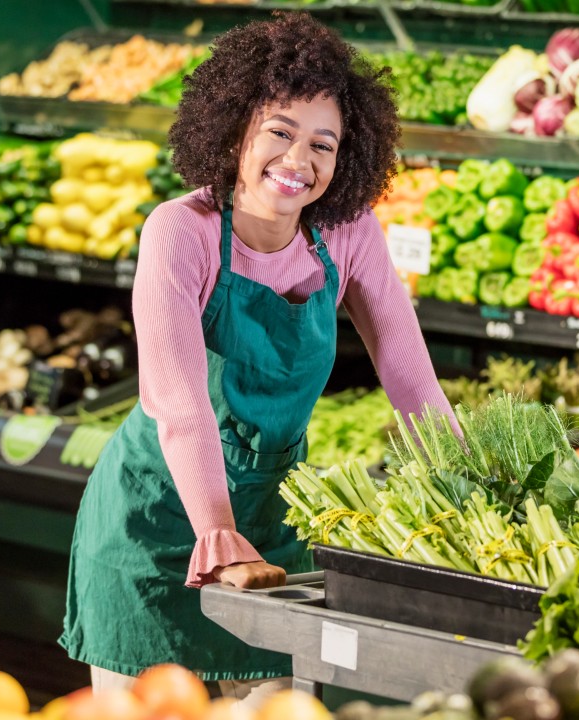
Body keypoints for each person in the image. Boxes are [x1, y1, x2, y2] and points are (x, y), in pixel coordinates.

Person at [59, 13, 454, 696]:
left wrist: (468, 472)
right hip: (156, 521)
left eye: (323, 145)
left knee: (282, 706)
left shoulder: (349, 232)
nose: (299, 162)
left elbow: (407, 371)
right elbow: (181, 409)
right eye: (279, 132)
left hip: (274, 519)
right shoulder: (180, 233)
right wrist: (215, 531)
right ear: (235, 125)